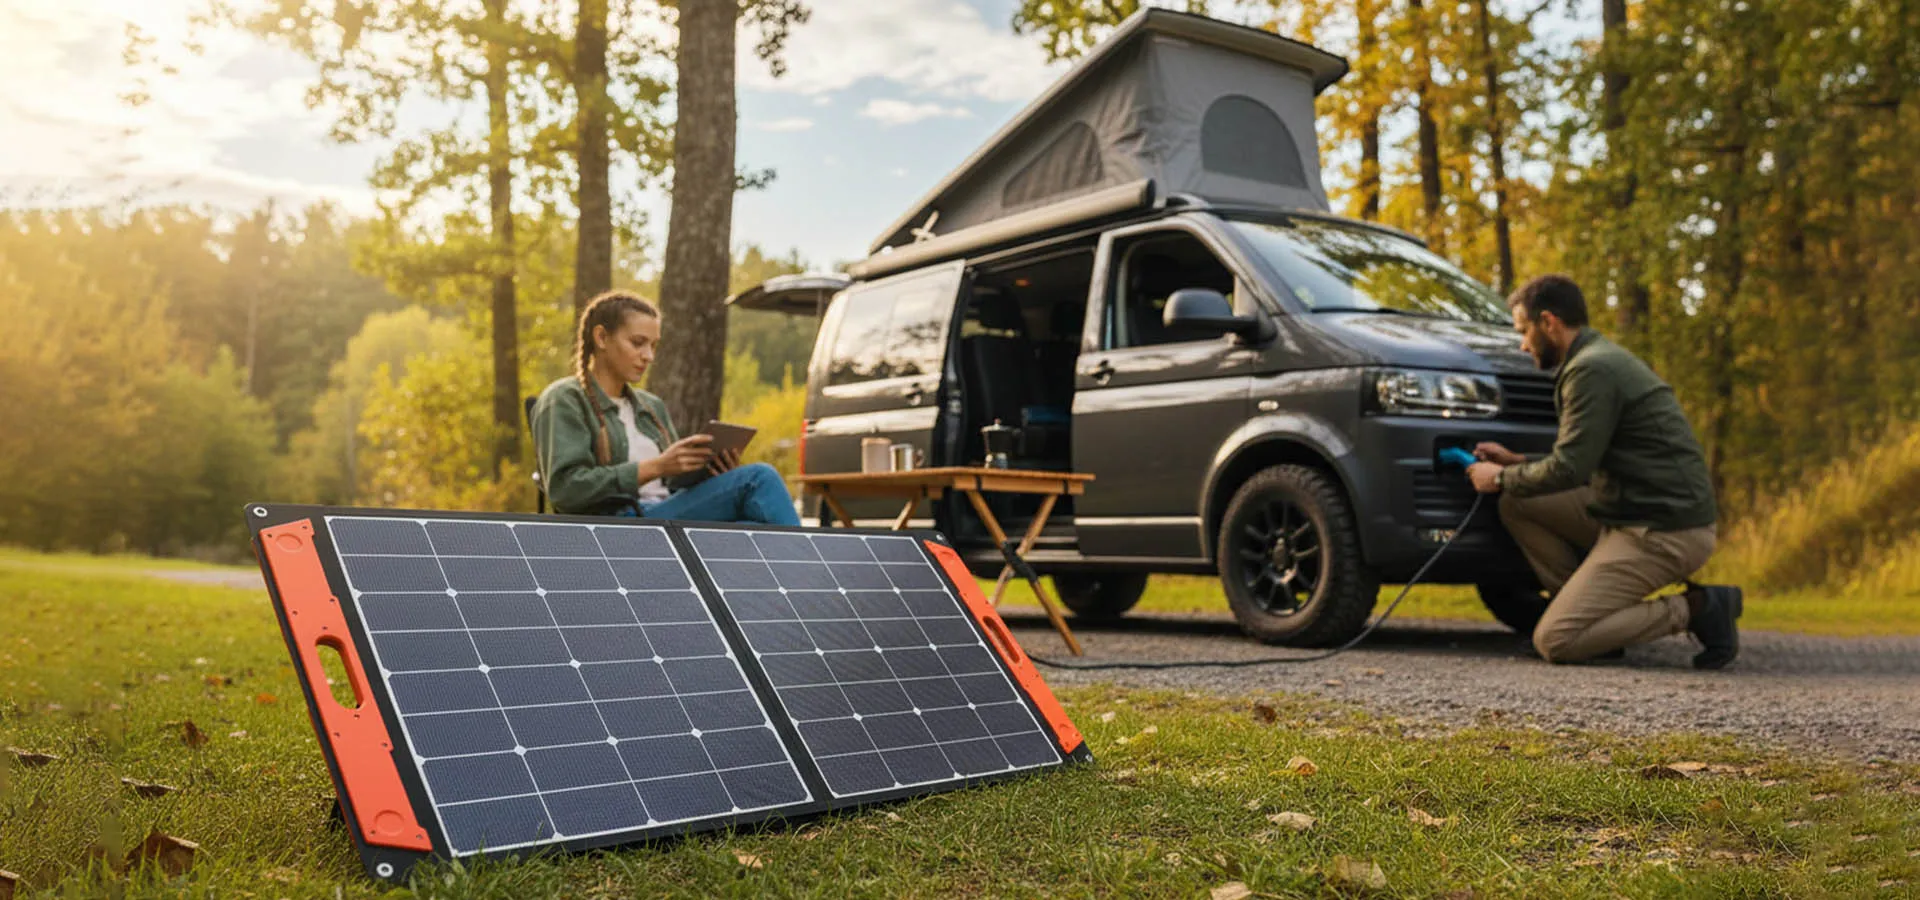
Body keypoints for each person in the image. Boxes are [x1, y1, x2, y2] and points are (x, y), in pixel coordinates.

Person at [1465, 274, 1743, 668]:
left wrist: (1497, 477)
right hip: (1626, 511)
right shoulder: (1597, 359)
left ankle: (1697, 608)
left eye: (1524, 331)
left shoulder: (1591, 371)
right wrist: (1517, 464)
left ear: (1549, 322)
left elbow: (1569, 469)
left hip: (1663, 530)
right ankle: (1594, 622)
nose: (1523, 344)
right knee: (1518, 501)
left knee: (1556, 640)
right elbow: (1582, 460)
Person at [530, 290, 801, 526]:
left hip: (666, 511)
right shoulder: (565, 399)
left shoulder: (651, 406)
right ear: (601, 337)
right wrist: (656, 467)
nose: (648, 356)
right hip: (619, 522)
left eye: (653, 345)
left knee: (750, 526)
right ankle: (813, 578)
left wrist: (711, 473)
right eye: (637, 343)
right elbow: (566, 490)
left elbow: (670, 485)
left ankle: (797, 581)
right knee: (759, 479)